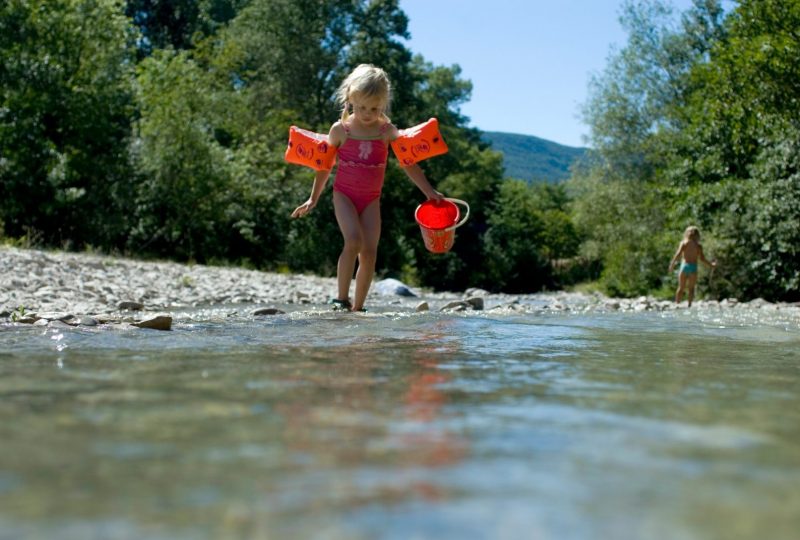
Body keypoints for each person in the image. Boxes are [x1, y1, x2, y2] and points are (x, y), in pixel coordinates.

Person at [291, 64, 444, 312]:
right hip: (344, 195)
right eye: (361, 107)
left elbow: (408, 163)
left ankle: (358, 308)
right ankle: (341, 299)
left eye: (374, 108)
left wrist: (428, 191)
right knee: (353, 240)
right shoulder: (341, 129)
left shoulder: (387, 131)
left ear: (383, 104)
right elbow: (324, 166)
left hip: (371, 199)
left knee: (370, 252)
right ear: (351, 99)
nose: (367, 113)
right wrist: (313, 198)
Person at [668, 225, 716, 307]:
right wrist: (711, 265)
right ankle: (689, 305)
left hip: (684, 266)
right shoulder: (698, 246)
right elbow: (702, 259)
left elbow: (678, 254)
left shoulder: (684, 243)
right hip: (693, 267)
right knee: (691, 289)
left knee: (681, 287)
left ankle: (677, 304)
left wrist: (672, 264)